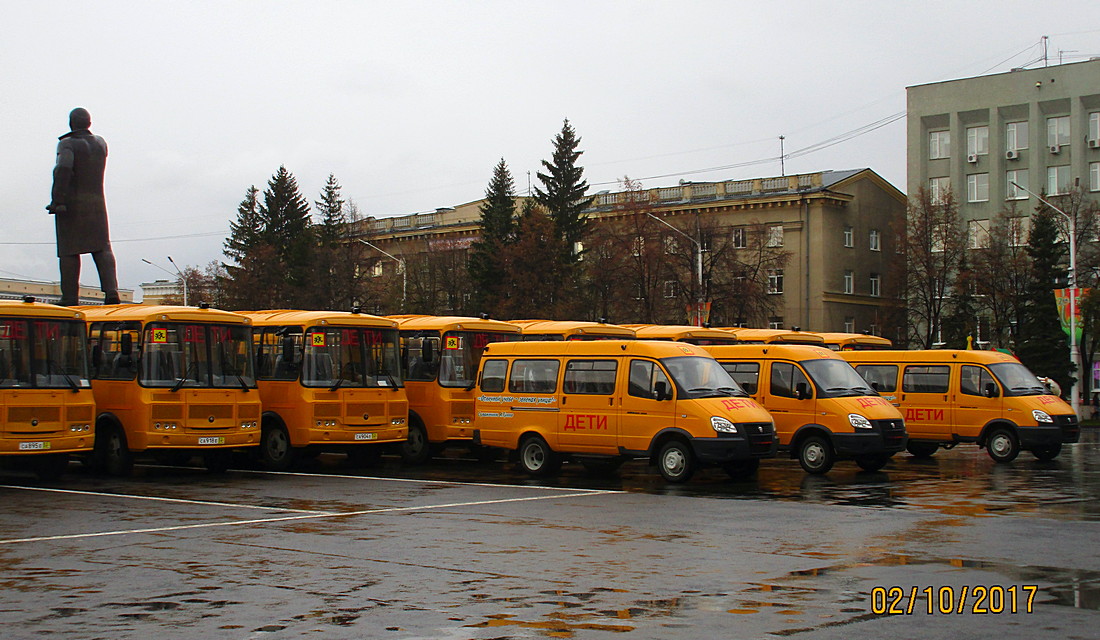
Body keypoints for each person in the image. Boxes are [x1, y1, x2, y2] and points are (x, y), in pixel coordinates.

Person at [46, 107, 120, 306]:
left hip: (72, 204)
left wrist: (58, 200)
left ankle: (70, 298)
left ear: (71, 123)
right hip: (97, 203)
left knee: (69, 251)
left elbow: (63, 168)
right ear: (89, 123)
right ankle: (111, 291)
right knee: (102, 247)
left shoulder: (67, 144)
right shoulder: (101, 143)